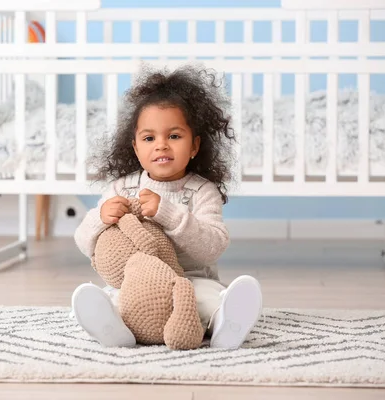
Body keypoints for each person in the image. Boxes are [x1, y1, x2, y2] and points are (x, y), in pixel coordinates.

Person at [70, 64, 262, 350]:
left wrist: (168, 213)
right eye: (149, 138)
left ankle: (226, 323)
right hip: (136, 283)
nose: (161, 145)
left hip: (189, 281)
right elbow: (85, 243)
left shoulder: (201, 191)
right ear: (135, 147)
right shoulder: (121, 189)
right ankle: (113, 328)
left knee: (208, 298)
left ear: (195, 146)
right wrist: (100, 218)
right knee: (112, 296)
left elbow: (213, 246)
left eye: (174, 136)